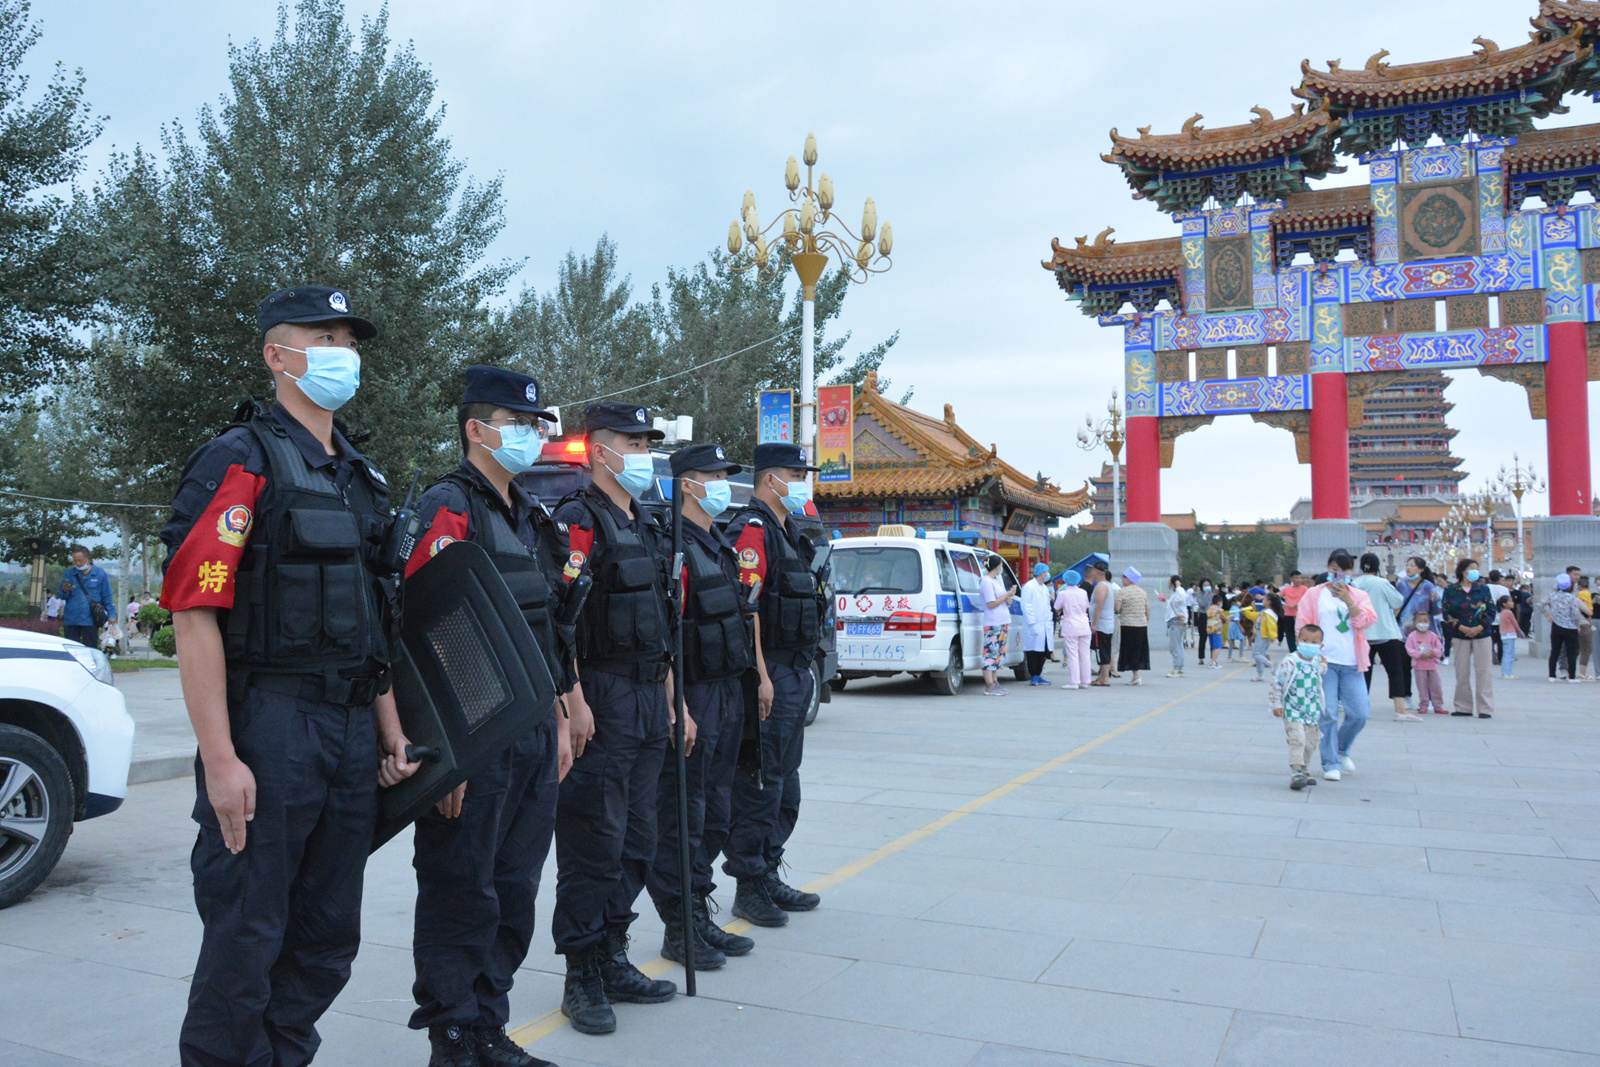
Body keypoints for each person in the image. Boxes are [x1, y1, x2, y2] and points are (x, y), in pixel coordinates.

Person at [158, 286, 419, 1066]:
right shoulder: (240, 458)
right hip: (271, 727)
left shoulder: (360, 478)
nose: (343, 350)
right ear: (278, 355)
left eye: (349, 338)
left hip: (346, 734)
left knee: (326, 937)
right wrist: (220, 757)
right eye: (324, 335)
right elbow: (193, 609)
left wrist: (392, 730)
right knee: (246, 938)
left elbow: (375, 621)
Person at [401, 366, 579, 1065]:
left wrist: (564, 718)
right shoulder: (450, 506)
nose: (530, 435)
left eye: (535, 424)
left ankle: (487, 1025)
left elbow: (552, 629)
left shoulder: (530, 515)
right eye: (516, 423)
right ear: (476, 429)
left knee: (513, 885)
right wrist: (444, 754)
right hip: (475, 737)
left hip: (534, 729)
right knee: (460, 887)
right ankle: (452, 1034)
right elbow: (422, 628)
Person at [551, 402, 679, 1033]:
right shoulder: (580, 520)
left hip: (650, 696)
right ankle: (581, 972)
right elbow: (561, 620)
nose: (643, 452)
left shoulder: (651, 524)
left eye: (647, 442)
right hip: (600, 694)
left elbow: (665, 627)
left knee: (639, 838)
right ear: (600, 451)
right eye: (631, 442)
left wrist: (675, 702)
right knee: (592, 840)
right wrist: (571, 702)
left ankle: (614, 952)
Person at [644, 442, 761, 976]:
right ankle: (680, 922)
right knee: (684, 818)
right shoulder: (674, 547)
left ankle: (701, 908)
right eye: (712, 475)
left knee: (717, 812)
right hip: (693, 693)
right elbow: (667, 633)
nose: (721, 483)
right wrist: (678, 704)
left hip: (727, 691)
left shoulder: (718, 543)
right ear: (688, 483)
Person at [724, 442, 825, 927]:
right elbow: (749, 608)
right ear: (770, 479)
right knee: (761, 783)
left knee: (786, 783)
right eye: (794, 473)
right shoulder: (754, 529)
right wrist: (761, 675)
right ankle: (749, 882)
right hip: (771, 674)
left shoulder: (788, 530)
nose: (802, 481)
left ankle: (768, 867)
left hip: (794, 670)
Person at [1294, 550, 1377, 781]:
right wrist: (1307, 654)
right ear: (1328, 569)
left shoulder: (1359, 595)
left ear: (1352, 572)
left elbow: (1366, 621)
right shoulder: (1313, 594)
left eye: (1345, 570)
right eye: (1334, 569)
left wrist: (1349, 601)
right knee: (1327, 713)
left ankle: (1341, 748)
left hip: (1352, 663)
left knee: (1360, 712)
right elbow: (1302, 626)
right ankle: (1331, 762)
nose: (1339, 573)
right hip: (1324, 663)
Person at [1354, 552, 1418, 721]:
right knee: (1395, 672)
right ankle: (1400, 710)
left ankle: (1361, 708)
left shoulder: (1354, 584)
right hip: (1385, 632)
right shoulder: (1382, 583)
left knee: (1363, 672)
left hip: (1362, 633)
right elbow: (1397, 602)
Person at [1269, 622, 1326, 790]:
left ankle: (1304, 769)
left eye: (1314, 642)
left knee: (1311, 742)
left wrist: (1325, 664)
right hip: (1293, 710)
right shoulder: (1290, 661)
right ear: (1298, 640)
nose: (1309, 644)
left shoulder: (1315, 661)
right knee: (1297, 740)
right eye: (1305, 640)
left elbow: (1320, 671)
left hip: (1311, 710)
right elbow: (1277, 682)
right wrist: (1276, 703)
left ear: (1321, 646)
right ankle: (1296, 773)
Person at [1442, 558, 1495, 718]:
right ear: (1463, 571)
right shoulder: (1451, 589)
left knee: (1484, 671)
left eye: (1476, 568)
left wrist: (1480, 627)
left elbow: (1491, 611)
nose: (1475, 571)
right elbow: (1446, 612)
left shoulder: (1483, 589)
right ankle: (1463, 706)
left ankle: (1485, 708)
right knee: (1462, 671)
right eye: (1472, 568)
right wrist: (1461, 627)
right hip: (1460, 635)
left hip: (1482, 635)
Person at [1393, 557, 1439, 711]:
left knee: (1427, 668)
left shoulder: (1428, 586)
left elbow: (1437, 608)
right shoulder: (1401, 585)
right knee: (1403, 667)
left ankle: (1429, 699)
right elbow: (1396, 606)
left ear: (1421, 569)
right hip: (1403, 633)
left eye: (1412, 565)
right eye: (1407, 564)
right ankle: (1406, 696)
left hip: (1423, 633)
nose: (1408, 567)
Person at [58, 545, 115, 649]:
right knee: (71, 649)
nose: (78, 564)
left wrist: (112, 614)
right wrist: (64, 590)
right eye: (75, 561)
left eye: (80, 561)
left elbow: (107, 596)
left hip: (90, 620)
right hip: (72, 619)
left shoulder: (99, 574)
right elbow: (62, 596)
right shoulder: (69, 574)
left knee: (90, 649)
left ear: (88, 558)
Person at [978, 556, 1016, 696]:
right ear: (996, 566)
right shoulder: (986, 582)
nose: (1001, 568)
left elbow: (1004, 601)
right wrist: (1006, 594)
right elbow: (991, 603)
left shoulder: (995, 581)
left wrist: (1009, 597)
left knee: (997, 654)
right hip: (993, 621)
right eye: (1000, 565)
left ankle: (995, 683)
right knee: (990, 653)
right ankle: (989, 685)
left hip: (1001, 620)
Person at [1540, 573, 1586, 683]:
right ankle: (1572, 677)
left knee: (1555, 651)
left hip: (1556, 626)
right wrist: (1578, 625)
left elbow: (1540, 605)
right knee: (1571, 653)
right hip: (1570, 628)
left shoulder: (1552, 596)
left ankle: (1552, 675)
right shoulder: (1572, 598)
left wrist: (1547, 615)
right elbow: (1576, 614)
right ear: (1570, 586)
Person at [1054, 569, 1091, 689]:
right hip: (1084, 624)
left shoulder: (1063, 594)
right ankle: (1086, 680)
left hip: (1070, 625)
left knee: (1072, 654)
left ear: (1065, 581)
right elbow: (1087, 606)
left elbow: (1056, 607)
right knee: (1085, 654)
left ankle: (1074, 681)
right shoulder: (1083, 592)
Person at [1114, 567, 1150, 685]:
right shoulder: (1143, 592)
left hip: (1128, 625)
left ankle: (1136, 676)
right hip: (1142, 625)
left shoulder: (1121, 592)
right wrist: (1145, 621)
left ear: (1128, 579)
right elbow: (1148, 609)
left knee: (1129, 650)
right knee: (1139, 650)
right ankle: (1136, 675)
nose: (1122, 580)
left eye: (1123, 577)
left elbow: (1117, 609)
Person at [1020, 563, 1055, 685]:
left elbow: (1047, 606)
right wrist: (1032, 623)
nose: (1047, 574)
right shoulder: (1029, 587)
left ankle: (1038, 674)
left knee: (1044, 650)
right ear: (1041, 573)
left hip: (1045, 624)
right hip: (1034, 624)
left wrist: (1050, 618)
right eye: (1046, 572)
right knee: (1033, 651)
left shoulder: (1044, 588)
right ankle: (1033, 675)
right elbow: (1026, 606)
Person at [1405, 612, 1446, 714]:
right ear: (1415, 622)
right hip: (1419, 666)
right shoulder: (1412, 637)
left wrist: (1434, 653)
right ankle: (1423, 705)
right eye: (1420, 621)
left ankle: (1438, 706)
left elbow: (1439, 648)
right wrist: (1419, 654)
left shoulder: (1433, 636)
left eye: (1425, 621)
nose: (1422, 624)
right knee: (1422, 686)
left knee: (1436, 686)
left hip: (1432, 666)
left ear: (1429, 622)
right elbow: (1409, 649)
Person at [1087, 563, 1116, 686]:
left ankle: (1105, 678)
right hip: (1107, 624)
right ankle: (1101, 677)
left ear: (1096, 572)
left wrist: (1094, 624)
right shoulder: (1108, 585)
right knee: (1105, 649)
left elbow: (1099, 606)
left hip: (1102, 625)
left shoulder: (1101, 587)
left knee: (1101, 651)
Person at [1243, 593, 1280, 681]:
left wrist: (1273, 637)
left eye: (1264, 599)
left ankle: (1269, 663)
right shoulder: (1264, 612)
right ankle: (1260, 675)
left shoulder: (1269, 613)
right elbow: (1254, 616)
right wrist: (1247, 611)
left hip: (1264, 636)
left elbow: (1271, 626)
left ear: (1269, 602)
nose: (1262, 601)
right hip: (1260, 634)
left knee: (1256, 654)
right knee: (1259, 654)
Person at [1161, 575, 1191, 678]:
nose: (1168, 584)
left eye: (1170, 582)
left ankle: (1176, 668)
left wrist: (1178, 586)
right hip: (1175, 621)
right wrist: (1165, 601)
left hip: (1176, 622)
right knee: (1179, 645)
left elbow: (1181, 598)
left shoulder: (1180, 592)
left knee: (1175, 646)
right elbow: (1172, 605)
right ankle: (1179, 668)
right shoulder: (1175, 594)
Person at [1485, 569, 1510, 666]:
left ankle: (1490, 653)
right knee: (1501, 640)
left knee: (1489, 638)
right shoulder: (1504, 589)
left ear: (1489, 578)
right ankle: (1500, 657)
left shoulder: (1485, 588)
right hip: (1502, 617)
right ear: (1499, 578)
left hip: (1489, 617)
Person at [1497, 595, 1524, 680]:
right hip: (1509, 634)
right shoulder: (1508, 612)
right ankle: (1507, 673)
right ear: (1505, 604)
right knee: (1509, 655)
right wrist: (1520, 632)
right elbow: (1514, 623)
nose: (1513, 603)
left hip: (1504, 635)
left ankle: (1505, 672)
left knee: (1506, 654)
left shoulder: (1502, 612)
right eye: (1510, 601)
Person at [1280, 572, 1306, 652]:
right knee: (1289, 635)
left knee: (1301, 634)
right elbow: (1277, 596)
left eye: (1299, 577)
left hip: (1300, 615)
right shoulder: (1287, 589)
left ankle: (1301, 651)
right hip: (1288, 615)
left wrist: (1295, 605)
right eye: (1296, 578)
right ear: (1292, 579)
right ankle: (1292, 651)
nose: (1298, 580)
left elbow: (1307, 600)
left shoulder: (1305, 589)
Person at [1578, 576, 1595, 681]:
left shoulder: (1578, 595)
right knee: (1586, 650)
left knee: (1577, 649)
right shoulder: (1587, 594)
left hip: (1578, 623)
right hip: (1584, 623)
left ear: (1578, 586)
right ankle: (1583, 673)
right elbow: (1585, 609)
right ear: (1589, 585)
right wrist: (1589, 620)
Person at [1205, 594, 1225, 668]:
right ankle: (1213, 662)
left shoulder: (1209, 609)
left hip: (1210, 630)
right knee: (1218, 647)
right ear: (1219, 602)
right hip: (1217, 630)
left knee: (1213, 647)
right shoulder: (1219, 610)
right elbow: (1224, 618)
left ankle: (1213, 661)